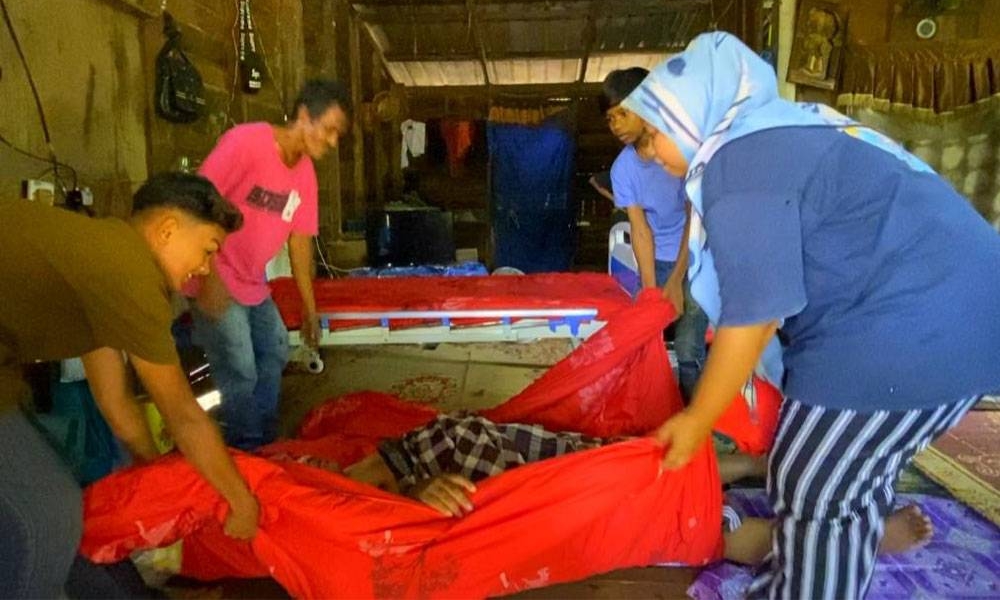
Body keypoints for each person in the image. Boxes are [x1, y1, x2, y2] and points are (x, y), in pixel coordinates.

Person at [622, 31, 1000, 599]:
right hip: (960, 317)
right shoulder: (776, 135)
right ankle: (834, 556)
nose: (649, 153)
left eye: (652, 135)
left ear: (691, 114)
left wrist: (699, 418)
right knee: (840, 472)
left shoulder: (738, 163)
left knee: (814, 477)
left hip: (909, 325)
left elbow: (756, 313)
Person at [0, 173, 260, 598]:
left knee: (55, 512)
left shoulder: (105, 255)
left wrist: (156, 474)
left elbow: (116, 402)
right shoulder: (132, 273)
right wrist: (242, 501)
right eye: (208, 249)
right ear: (168, 230)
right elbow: (183, 415)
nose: (204, 268)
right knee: (44, 520)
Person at [282, 413, 933, 568]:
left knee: (657, 464)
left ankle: (760, 468)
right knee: (702, 531)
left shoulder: (414, 451)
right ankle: (862, 538)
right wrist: (416, 488)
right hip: (558, 494)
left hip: (561, 467)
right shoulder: (384, 500)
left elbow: (359, 491)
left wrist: (414, 482)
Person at [191, 79, 351, 450]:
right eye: (329, 129)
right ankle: (246, 446)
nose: (332, 142)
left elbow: (300, 242)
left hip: (251, 281)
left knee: (276, 348)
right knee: (240, 367)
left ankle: (261, 437)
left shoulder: (305, 176)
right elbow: (197, 200)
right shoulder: (246, 143)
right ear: (304, 115)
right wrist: (207, 277)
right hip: (214, 272)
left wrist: (309, 308)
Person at [601, 68, 710, 400]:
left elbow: (694, 218)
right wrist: (651, 290)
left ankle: (696, 414)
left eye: (623, 113)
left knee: (688, 347)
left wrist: (676, 281)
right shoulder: (623, 169)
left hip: (696, 259)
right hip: (658, 259)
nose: (615, 124)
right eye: (610, 118)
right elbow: (640, 230)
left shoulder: (679, 152)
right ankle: (656, 408)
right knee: (647, 338)